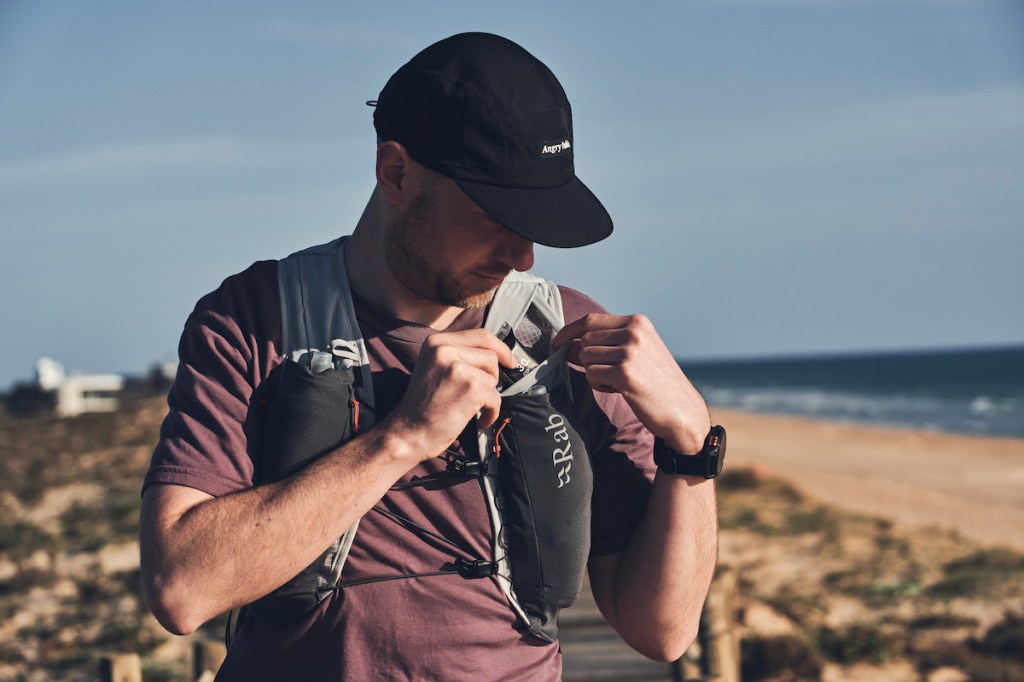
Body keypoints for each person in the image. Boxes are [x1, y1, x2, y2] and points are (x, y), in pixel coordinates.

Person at [140, 32, 720, 681]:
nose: (522, 255)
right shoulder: (253, 318)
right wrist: (402, 438)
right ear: (396, 173)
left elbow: (662, 631)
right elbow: (181, 590)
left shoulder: (565, 334)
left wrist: (691, 443)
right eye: (496, 214)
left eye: (537, 223)